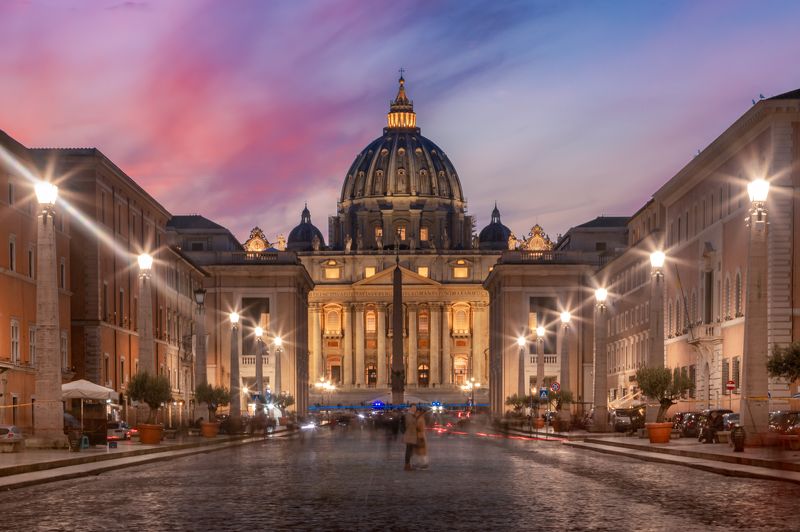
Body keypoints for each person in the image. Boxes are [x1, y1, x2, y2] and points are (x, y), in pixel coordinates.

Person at [403, 405, 418, 471]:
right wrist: (416, 420)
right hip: (409, 435)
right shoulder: (409, 415)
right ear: (411, 408)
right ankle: (407, 465)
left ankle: (409, 464)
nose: (415, 409)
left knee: (410, 450)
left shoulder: (412, 415)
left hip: (412, 435)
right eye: (414, 408)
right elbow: (410, 423)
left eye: (415, 408)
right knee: (408, 451)